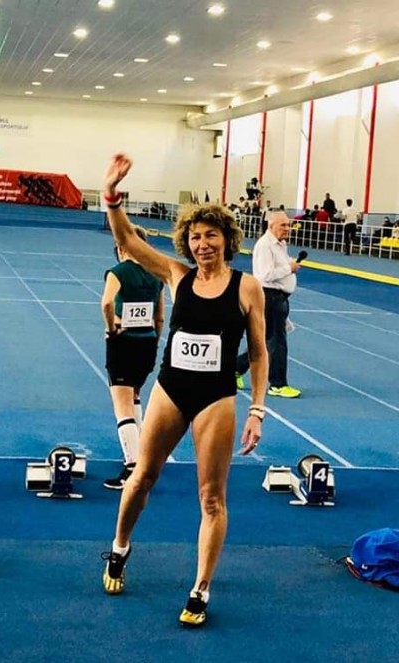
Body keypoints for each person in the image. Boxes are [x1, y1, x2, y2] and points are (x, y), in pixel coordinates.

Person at [100, 153, 267, 628]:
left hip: (216, 396)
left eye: (210, 235)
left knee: (212, 498)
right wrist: (111, 195)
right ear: (186, 243)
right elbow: (128, 241)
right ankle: (119, 547)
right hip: (171, 390)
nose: (202, 244)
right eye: (195, 237)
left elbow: (259, 354)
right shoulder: (177, 275)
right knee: (143, 476)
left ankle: (201, 587)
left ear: (226, 239)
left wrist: (258, 410)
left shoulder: (247, 288)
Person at [101, 226, 165, 490]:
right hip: (147, 342)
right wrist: (154, 340)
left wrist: (111, 329)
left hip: (123, 343)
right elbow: (160, 317)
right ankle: (142, 455)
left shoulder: (118, 272)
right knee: (135, 396)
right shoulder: (156, 274)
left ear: (121, 247)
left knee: (122, 405)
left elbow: (107, 303)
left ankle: (132, 467)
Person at [235, 212, 302, 398]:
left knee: (265, 339)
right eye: (283, 225)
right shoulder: (265, 245)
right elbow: (264, 275)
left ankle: (236, 368)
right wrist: (289, 268)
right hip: (270, 297)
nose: (287, 229)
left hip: (279, 298)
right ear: (270, 226)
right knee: (277, 341)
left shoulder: (280, 244)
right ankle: (278, 384)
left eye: (288, 225)